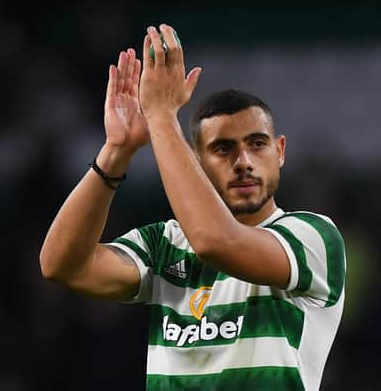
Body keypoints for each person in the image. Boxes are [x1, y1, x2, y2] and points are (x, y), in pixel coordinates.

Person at [39, 23, 345, 391]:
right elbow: (62, 265)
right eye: (223, 149)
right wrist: (117, 151)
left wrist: (163, 118)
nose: (244, 161)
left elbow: (215, 242)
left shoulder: (312, 236)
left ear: (279, 152)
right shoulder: (165, 244)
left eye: (257, 144)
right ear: (194, 161)